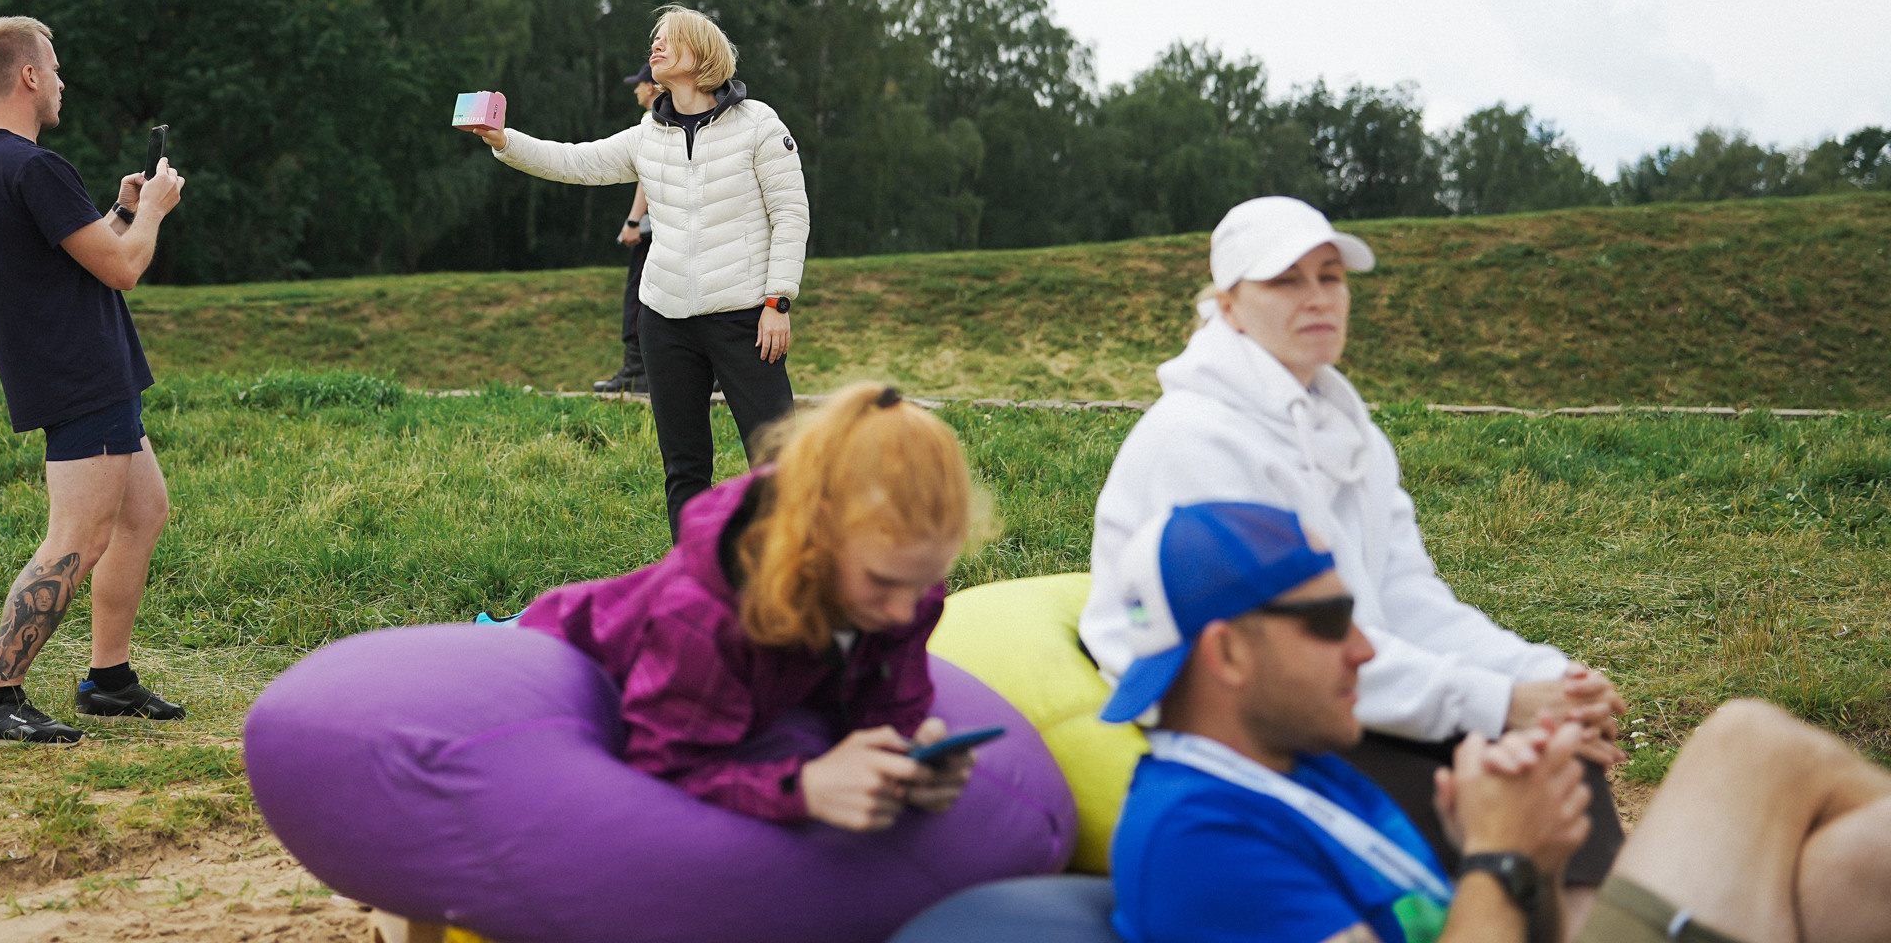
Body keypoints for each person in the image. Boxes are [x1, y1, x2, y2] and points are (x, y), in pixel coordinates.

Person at [1081, 196, 1629, 909]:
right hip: (1249, 712)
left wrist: (1551, 678)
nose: (1317, 298)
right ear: (1229, 307)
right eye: (1284, 280)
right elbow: (1282, 649)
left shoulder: (1348, 431)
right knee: (1523, 756)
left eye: (1330, 276)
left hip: (1338, 682)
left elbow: (1407, 596)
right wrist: (1500, 704)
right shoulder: (1198, 439)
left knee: (1547, 743)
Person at [1094, 500, 1891, 943]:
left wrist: (1533, 863)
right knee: (1749, 744)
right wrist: (1496, 857)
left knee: (1847, 867)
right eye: (1333, 620)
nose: (1366, 650)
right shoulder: (1199, 841)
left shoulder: (1297, 773)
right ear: (1229, 655)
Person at [517, 383, 993, 829]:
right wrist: (800, 788)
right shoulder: (706, 615)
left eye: (925, 582)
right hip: (565, 664)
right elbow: (665, 768)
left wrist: (910, 754)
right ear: (819, 532)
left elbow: (888, 700)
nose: (903, 613)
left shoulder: (904, 585)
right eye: (882, 582)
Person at [465, 4, 811, 533]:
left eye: (669, 38)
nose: (655, 46)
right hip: (665, 320)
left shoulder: (759, 124)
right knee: (684, 468)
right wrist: (503, 141)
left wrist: (778, 300)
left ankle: (795, 580)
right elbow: (573, 161)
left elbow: (790, 213)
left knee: (779, 463)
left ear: (703, 53)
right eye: (654, 38)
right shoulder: (647, 135)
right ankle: (690, 584)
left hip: (747, 316)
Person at [0, 15, 187, 744]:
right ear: (26, 76)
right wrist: (153, 212)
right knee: (75, 538)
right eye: (52, 67)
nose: (60, 81)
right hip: (82, 372)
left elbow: (72, 258)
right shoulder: (34, 166)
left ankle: (107, 679)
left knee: (143, 514)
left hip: (63, 368)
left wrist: (117, 210)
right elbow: (123, 268)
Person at [592, 61, 662, 395]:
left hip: (652, 228)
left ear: (651, 87)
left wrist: (634, 221)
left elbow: (647, 179)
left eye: (638, 84)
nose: (635, 89)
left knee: (637, 294)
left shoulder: (652, 119)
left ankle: (636, 372)